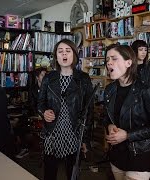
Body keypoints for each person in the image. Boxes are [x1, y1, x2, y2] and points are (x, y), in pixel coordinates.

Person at [103, 44, 150, 180]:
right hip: (116, 155)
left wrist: (127, 135)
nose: (109, 63)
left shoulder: (146, 90)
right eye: (107, 59)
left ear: (129, 62)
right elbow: (106, 117)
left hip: (139, 156)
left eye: (114, 58)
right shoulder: (109, 90)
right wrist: (109, 125)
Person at [37, 39, 93, 180]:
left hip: (74, 132)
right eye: (60, 51)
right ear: (56, 56)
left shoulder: (84, 79)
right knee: (49, 173)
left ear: (74, 54)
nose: (64, 54)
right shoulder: (49, 78)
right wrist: (43, 112)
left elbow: (89, 112)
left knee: (72, 174)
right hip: (52, 132)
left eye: (68, 51)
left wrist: (85, 139)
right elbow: (40, 103)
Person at [15, 67, 47, 159]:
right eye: (42, 75)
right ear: (37, 77)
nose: (45, 77)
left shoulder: (50, 88)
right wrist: (38, 114)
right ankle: (24, 148)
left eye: (46, 75)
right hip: (36, 115)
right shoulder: (33, 89)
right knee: (20, 124)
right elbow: (32, 104)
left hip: (48, 115)